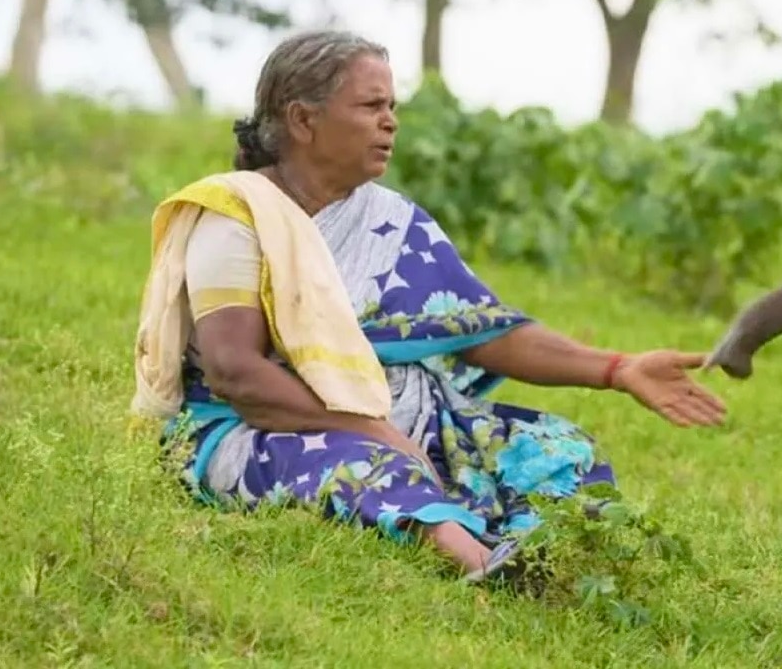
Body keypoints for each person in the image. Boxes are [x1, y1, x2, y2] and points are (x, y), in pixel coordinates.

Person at [131, 29, 727, 584]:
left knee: (556, 448)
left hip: (404, 422)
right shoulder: (235, 217)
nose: (390, 123)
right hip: (261, 429)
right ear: (303, 119)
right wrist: (372, 428)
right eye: (371, 107)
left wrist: (617, 369)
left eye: (393, 108)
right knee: (368, 465)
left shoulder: (391, 221)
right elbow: (239, 375)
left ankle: (545, 551)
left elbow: (481, 329)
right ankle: (484, 565)